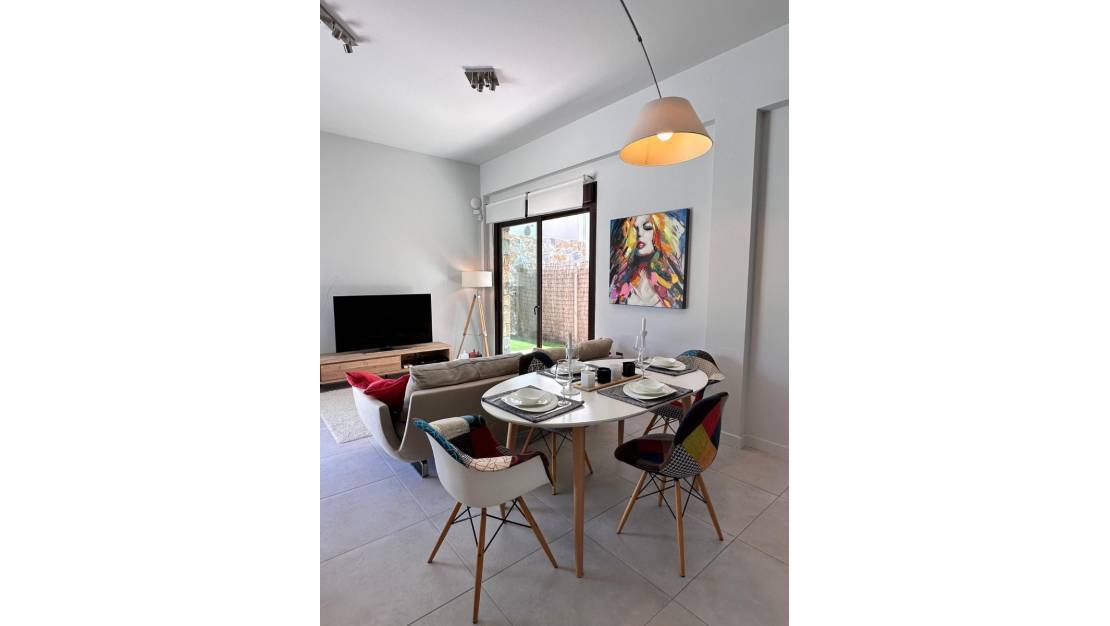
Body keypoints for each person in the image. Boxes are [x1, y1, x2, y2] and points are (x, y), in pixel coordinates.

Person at [609, 211, 686, 307]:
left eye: (647, 228)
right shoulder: (620, 279)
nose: (639, 234)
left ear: (659, 233)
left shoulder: (672, 278)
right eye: (634, 229)